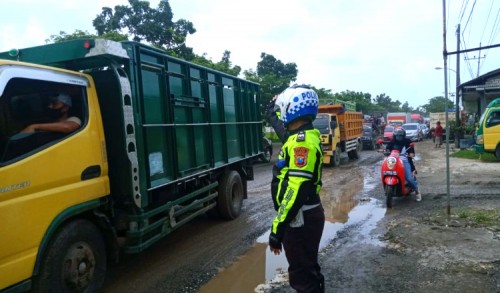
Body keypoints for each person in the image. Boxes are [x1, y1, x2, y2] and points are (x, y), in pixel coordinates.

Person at [265, 84, 325, 292]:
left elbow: (296, 191)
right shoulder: (300, 137)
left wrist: (277, 229)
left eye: (283, 110)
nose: (281, 115)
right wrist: (270, 111)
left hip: (300, 218)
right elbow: (285, 132)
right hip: (304, 216)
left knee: (302, 276)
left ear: (292, 110)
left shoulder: (302, 144)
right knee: (307, 269)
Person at [386, 128, 421, 201]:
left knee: (409, 178)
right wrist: (385, 151)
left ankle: (417, 191)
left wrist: (411, 154)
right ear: (395, 136)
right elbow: (387, 149)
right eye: (397, 135)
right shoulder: (392, 142)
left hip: (405, 161)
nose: (399, 137)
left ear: (403, 136)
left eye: (400, 136)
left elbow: (412, 151)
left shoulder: (408, 142)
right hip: (394, 161)